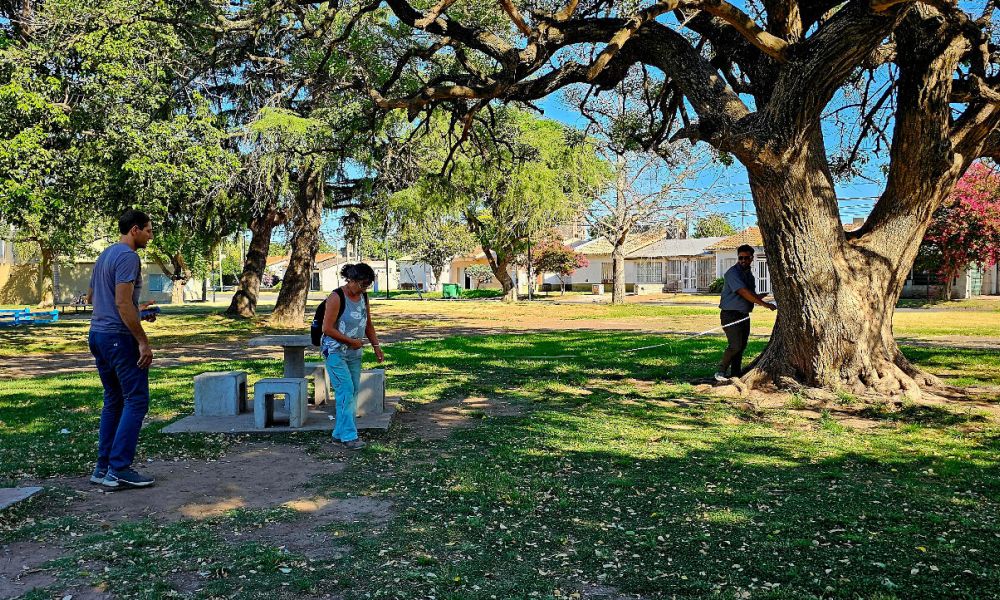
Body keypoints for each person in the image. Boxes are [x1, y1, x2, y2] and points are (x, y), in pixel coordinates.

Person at [86, 209, 159, 488]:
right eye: (148, 230)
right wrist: (142, 340)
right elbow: (121, 303)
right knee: (136, 400)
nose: (151, 236)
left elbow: (94, 297)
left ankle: (103, 467)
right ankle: (119, 469)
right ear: (134, 230)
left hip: (98, 335)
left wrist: (138, 312)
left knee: (114, 400)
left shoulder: (105, 255)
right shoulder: (129, 257)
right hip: (118, 339)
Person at [321, 263, 385, 450]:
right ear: (351, 280)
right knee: (346, 390)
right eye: (362, 284)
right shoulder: (336, 297)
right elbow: (327, 328)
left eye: (367, 286)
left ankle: (338, 434)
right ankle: (350, 436)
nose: (364, 289)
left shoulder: (363, 297)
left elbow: (368, 324)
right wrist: (350, 341)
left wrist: (376, 346)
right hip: (334, 352)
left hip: (354, 353)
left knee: (352, 392)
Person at [714, 244, 776, 382]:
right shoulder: (732, 273)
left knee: (741, 346)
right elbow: (743, 292)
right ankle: (720, 371)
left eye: (746, 258)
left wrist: (763, 296)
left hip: (743, 315)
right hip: (730, 315)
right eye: (740, 258)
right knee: (735, 345)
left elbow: (750, 295)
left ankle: (735, 374)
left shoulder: (749, 275)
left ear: (751, 258)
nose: (743, 260)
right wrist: (765, 305)